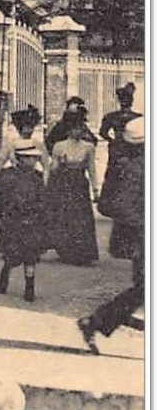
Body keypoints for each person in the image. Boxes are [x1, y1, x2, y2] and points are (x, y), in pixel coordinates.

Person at [80, 117, 145, 352]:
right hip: (140, 237)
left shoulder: (125, 163)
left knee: (144, 288)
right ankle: (97, 321)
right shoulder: (130, 168)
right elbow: (112, 205)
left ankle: (99, 321)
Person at [0, 138, 49, 303]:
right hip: (13, 220)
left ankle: (29, 286)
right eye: (30, 157)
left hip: (32, 220)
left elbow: (44, 199)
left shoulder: (38, 177)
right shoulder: (7, 176)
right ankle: (6, 272)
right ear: (20, 158)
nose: (34, 161)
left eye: (35, 158)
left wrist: (44, 219)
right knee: (12, 253)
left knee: (30, 255)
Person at [45, 106, 100, 266]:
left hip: (80, 185)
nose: (79, 132)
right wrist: (59, 164)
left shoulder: (88, 147)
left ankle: (83, 252)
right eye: (75, 128)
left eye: (80, 128)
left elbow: (92, 169)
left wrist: (96, 190)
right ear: (69, 130)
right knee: (65, 217)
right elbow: (52, 167)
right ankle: (66, 251)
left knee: (81, 219)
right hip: (63, 184)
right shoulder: (59, 146)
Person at [99, 82, 141, 218]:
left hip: (117, 149)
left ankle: (111, 205)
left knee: (113, 175)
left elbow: (102, 132)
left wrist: (112, 141)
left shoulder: (111, 116)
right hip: (132, 150)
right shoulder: (137, 117)